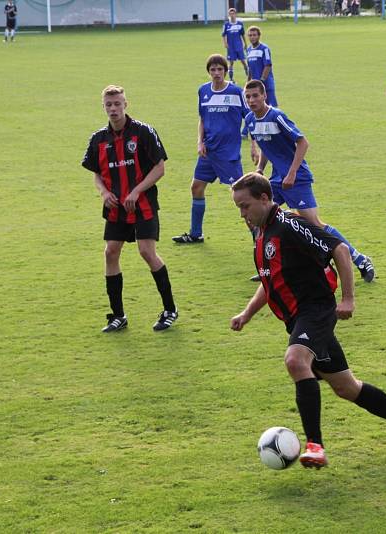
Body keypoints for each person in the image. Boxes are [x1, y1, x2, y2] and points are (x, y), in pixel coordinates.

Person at [230, 173, 386, 468]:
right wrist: (246, 314)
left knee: (295, 361)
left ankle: (315, 446)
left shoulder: (290, 225)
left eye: (245, 206)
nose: (242, 214)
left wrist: (348, 298)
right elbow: (270, 279)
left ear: (264, 198)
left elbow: (339, 249)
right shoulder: (262, 233)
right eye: (238, 208)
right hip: (297, 318)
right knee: (346, 387)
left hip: (316, 310)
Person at [243, 79, 375, 282]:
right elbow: (266, 145)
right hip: (276, 179)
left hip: (297, 178)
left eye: (255, 96)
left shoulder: (277, 116)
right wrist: (260, 168)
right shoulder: (251, 120)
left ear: (264, 96)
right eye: (248, 97)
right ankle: (268, 267)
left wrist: (292, 172)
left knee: (313, 223)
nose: (252, 100)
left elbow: (303, 143)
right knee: (258, 217)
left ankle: (360, 259)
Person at [81, 85, 178, 333]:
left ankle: (169, 309)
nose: (113, 109)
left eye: (117, 104)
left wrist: (136, 191)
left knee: (147, 252)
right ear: (103, 106)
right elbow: (96, 173)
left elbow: (159, 168)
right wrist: (103, 192)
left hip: (142, 204)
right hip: (116, 208)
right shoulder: (98, 139)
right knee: (110, 252)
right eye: (108, 105)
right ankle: (118, 315)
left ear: (126, 104)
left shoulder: (143, 132)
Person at [173, 54, 248, 244]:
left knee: (242, 195)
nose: (216, 73)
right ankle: (195, 234)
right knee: (196, 187)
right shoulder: (203, 91)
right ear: (209, 72)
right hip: (208, 152)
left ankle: (260, 237)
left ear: (225, 71)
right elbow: (202, 119)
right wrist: (200, 141)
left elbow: (249, 118)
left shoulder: (236, 92)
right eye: (213, 70)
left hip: (228, 154)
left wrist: (255, 146)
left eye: (220, 69)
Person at [246, 26, 278, 107]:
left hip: (266, 83)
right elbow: (250, 68)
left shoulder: (264, 49)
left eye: (254, 35)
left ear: (259, 36)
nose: (252, 37)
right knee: (258, 106)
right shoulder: (249, 50)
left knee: (272, 106)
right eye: (250, 35)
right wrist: (248, 81)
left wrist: (262, 80)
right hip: (255, 85)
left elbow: (268, 65)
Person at [222, 8, 248, 82]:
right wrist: (225, 43)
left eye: (233, 13)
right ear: (229, 15)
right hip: (231, 47)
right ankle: (231, 79)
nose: (232, 15)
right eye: (230, 14)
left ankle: (248, 77)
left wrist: (245, 43)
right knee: (231, 62)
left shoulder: (240, 24)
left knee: (243, 61)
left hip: (239, 46)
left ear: (235, 14)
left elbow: (242, 34)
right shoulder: (226, 25)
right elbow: (223, 35)